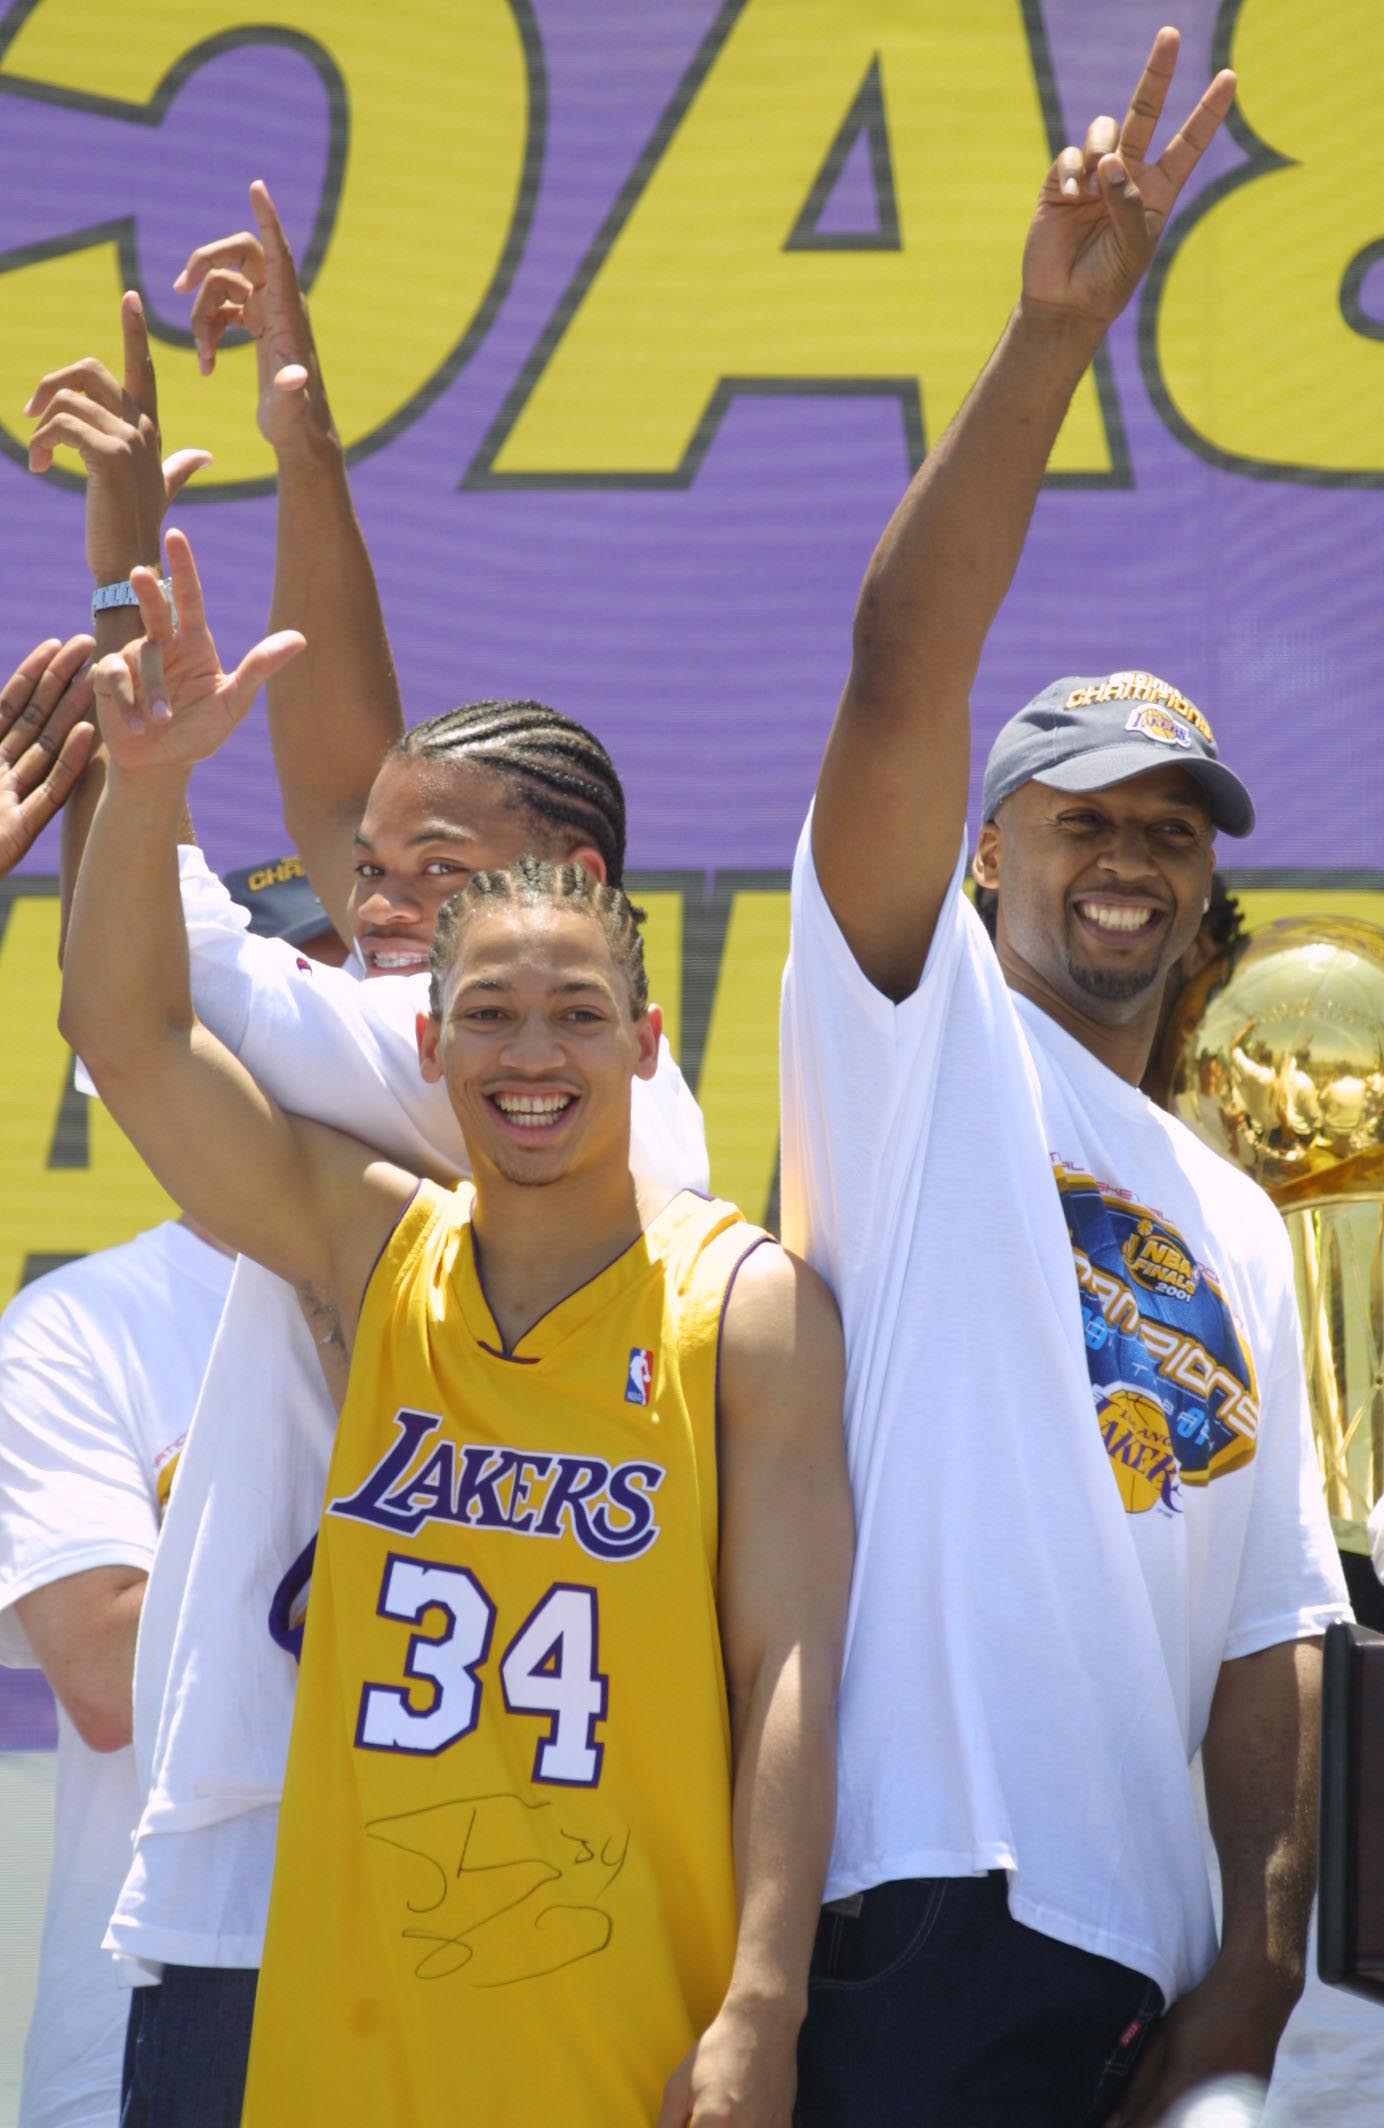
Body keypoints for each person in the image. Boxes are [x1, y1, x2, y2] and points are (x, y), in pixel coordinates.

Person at [27, 246, 710, 2122]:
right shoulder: (519, 1047)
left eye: (421, 872)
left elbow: (153, 974)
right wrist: (300, 443)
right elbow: (348, 773)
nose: (367, 897)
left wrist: (118, 605)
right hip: (359, 1833)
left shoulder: (516, 1071)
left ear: (562, 877)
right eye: (373, 879)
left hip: (392, 1859)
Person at [58, 531, 852, 2125]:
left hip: (607, 1953)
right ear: (427, 1036)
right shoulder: (372, 1238)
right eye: (484, 1014)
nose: (527, 1051)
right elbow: (129, 1037)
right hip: (318, 1908)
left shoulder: (737, 1289)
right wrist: (139, 779)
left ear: (646, 1034)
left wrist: (767, 1995)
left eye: (571, 1013)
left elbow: (790, 1664)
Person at [779, 28, 1349, 2128]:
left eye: (1167, 826)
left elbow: (1269, 1618)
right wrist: (1047, 343)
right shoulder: (910, 1043)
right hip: (915, 1897)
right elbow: (893, 668)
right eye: (1077, 813)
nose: (1124, 852)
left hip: (1144, 1962)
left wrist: (1257, 1955)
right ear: (985, 844)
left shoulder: (1227, 1209)